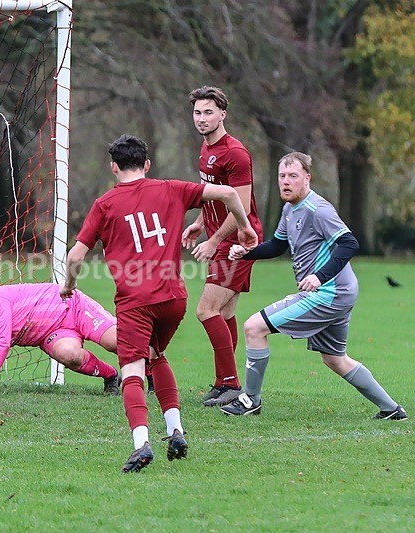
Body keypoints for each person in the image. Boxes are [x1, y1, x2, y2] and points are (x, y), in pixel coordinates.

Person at [63, 134, 258, 472]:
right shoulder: (171, 188)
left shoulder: (105, 204)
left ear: (113, 167)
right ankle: (176, 431)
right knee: (155, 355)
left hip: (135, 302)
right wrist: (244, 228)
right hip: (174, 298)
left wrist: (69, 284)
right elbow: (228, 193)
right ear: (147, 164)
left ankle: (141, 445)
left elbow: (76, 254)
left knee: (133, 371)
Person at [222, 152, 407, 420]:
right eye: (282, 176)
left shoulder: (318, 209)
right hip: (340, 293)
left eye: (293, 176)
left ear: (307, 178)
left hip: (328, 293)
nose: (286, 182)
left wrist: (319, 277)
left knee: (253, 327)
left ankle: (250, 400)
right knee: (335, 359)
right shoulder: (289, 208)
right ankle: (392, 409)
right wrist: (246, 253)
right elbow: (278, 245)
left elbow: (349, 244)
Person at [181, 86, 265, 407]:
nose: (201, 119)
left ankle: (230, 385)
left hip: (238, 243)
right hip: (221, 239)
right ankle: (223, 382)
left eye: (208, 112)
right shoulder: (204, 150)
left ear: (223, 114)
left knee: (205, 310)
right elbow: (211, 194)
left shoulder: (236, 154)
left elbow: (240, 206)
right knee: (225, 311)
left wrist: (214, 240)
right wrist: (200, 223)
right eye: (197, 112)